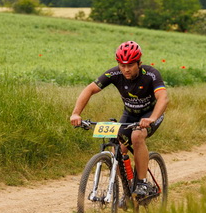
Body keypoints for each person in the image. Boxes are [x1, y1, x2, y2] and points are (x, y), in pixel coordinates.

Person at [70, 41, 169, 199]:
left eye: (130, 65)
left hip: (150, 114)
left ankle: (142, 182)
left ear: (139, 63)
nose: (126, 69)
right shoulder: (114, 74)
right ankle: (128, 189)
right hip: (129, 115)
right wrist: (76, 113)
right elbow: (89, 89)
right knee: (117, 150)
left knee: (137, 135)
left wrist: (151, 118)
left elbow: (163, 98)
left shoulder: (151, 74)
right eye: (122, 65)